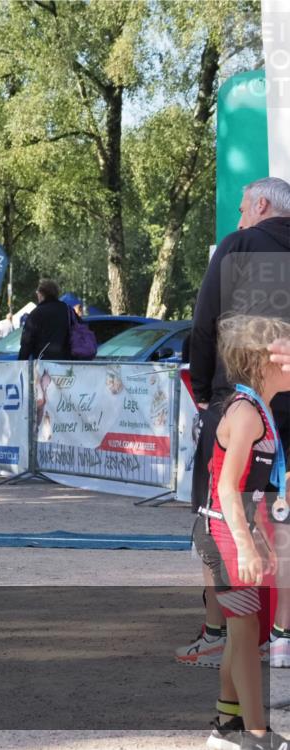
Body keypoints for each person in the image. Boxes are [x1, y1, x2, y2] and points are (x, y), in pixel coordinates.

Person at [182, 177, 290, 670]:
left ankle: (217, 630)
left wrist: (203, 392)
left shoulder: (239, 244)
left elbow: (205, 322)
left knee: (216, 510)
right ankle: (281, 636)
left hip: (239, 399)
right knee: (284, 519)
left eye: (244, 207)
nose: (240, 215)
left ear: (261, 205)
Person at [196, 315, 290, 750]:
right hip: (222, 533)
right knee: (247, 633)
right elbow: (228, 488)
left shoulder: (260, 410)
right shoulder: (247, 414)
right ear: (261, 362)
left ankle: (227, 726)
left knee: (244, 629)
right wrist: (246, 544)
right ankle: (255, 735)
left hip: (232, 531)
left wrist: (260, 538)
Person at [18, 279, 72, 360]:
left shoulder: (36, 313)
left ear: (41, 294)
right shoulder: (67, 310)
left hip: (44, 364)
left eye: (37, 292)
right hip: (67, 362)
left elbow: (27, 342)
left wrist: (21, 362)